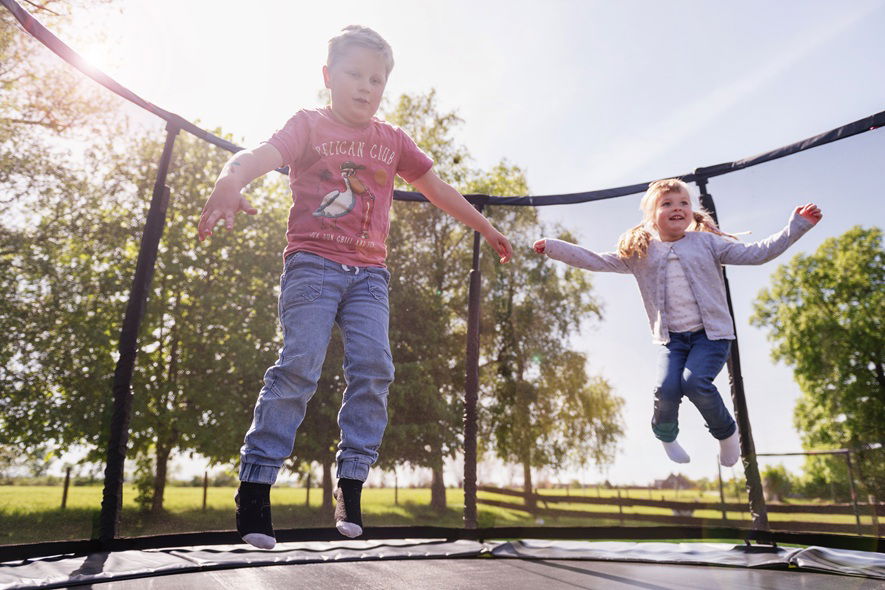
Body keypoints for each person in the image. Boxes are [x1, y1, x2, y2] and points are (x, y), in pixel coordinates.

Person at [198, 25, 512, 550]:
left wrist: (483, 225)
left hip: (369, 276)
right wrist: (230, 179)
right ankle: (255, 488)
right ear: (328, 76)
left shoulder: (392, 140)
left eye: (376, 80)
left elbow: (435, 186)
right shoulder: (308, 125)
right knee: (300, 365)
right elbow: (257, 155)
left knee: (374, 369)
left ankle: (351, 483)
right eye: (354, 75)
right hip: (313, 265)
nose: (366, 87)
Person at [533, 178, 821, 468]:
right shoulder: (641, 252)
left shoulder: (707, 243)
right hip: (672, 340)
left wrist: (797, 226)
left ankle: (726, 433)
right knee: (666, 389)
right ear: (651, 215)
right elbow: (596, 260)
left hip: (712, 336)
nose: (678, 208)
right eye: (667, 204)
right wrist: (555, 248)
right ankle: (666, 435)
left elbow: (757, 253)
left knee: (695, 383)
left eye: (684, 203)